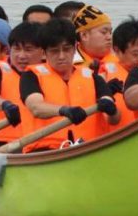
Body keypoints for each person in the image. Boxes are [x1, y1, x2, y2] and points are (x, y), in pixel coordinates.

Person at [19, 19, 119, 152]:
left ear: (75, 48)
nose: (61, 56)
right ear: (44, 53)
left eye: (66, 49)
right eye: (55, 51)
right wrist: (64, 111)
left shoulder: (93, 78)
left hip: (89, 150)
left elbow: (114, 119)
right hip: (45, 152)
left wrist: (111, 110)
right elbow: (36, 108)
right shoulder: (31, 76)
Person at [0, 21, 44, 145]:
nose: (21, 56)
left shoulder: (48, 75)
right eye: (16, 49)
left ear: (43, 51)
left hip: (39, 146)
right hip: (0, 145)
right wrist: (5, 105)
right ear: (9, 49)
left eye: (28, 50)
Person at [71, 3, 119, 69]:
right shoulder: (67, 64)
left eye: (110, 32)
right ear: (84, 35)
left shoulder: (123, 59)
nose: (109, 37)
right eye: (104, 32)